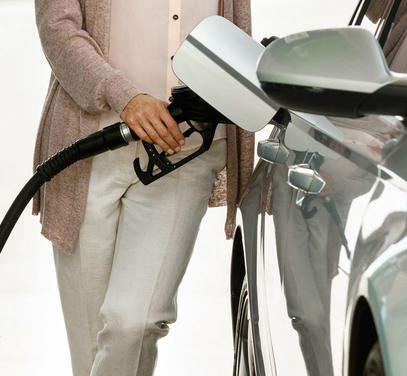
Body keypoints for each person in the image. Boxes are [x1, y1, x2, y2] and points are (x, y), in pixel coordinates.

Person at [31, 0, 253, 374]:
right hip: (89, 152)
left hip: (186, 150)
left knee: (134, 322)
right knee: (90, 347)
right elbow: (57, 28)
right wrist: (125, 96)